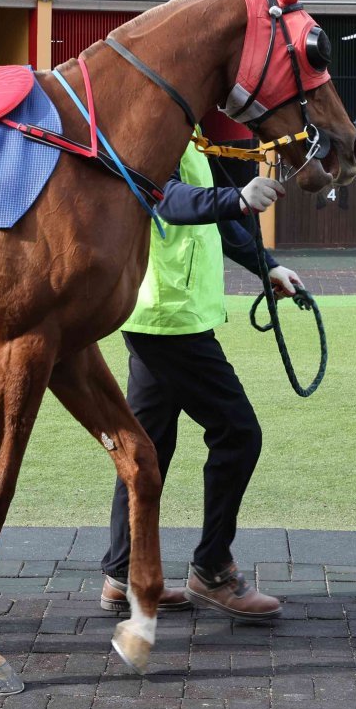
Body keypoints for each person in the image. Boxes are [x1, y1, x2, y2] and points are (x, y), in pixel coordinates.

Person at [100, 142, 302, 622]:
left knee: (146, 449)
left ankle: (122, 575)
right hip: (172, 318)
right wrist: (237, 199)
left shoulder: (186, 136)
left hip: (161, 314)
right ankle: (212, 570)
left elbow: (220, 222)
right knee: (238, 432)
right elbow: (166, 198)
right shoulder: (158, 130)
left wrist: (267, 265)